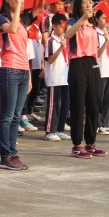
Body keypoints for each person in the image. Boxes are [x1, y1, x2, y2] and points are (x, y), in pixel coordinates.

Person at [0, 0, 44, 170]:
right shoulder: (1, 19)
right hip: (9, 69)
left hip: (23, 70)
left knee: (16, 116)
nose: (22, 1)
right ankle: (5, 156)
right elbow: (12, 29)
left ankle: (13, 153)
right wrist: (15, 9)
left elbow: (23, 48)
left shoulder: (22, 20)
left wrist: (29, 76)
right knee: (7, 116)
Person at [65, 0, 106, 158]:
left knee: (94, 105)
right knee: (78, 105)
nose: (89, 5)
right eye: (85, 2)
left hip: (92, 63)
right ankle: (76, 145)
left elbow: (96, 49)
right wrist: (82, 18)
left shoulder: (93, 24)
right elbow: (68, 34)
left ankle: (90, 143)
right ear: (78, 5)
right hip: (78, 63)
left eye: (90, 2)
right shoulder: (73, 22)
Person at [43, 14, 71, 142]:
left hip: (65, 76)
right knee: (54, 105)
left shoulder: (65, 39)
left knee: (64, 105)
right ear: (54, 26)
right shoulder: (50, 41)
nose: (62, 28)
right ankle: (50, 131)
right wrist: (61, 48)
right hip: (54, 77)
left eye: (64, 26)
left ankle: (60, 129)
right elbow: (50, 59)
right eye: (60, 26)